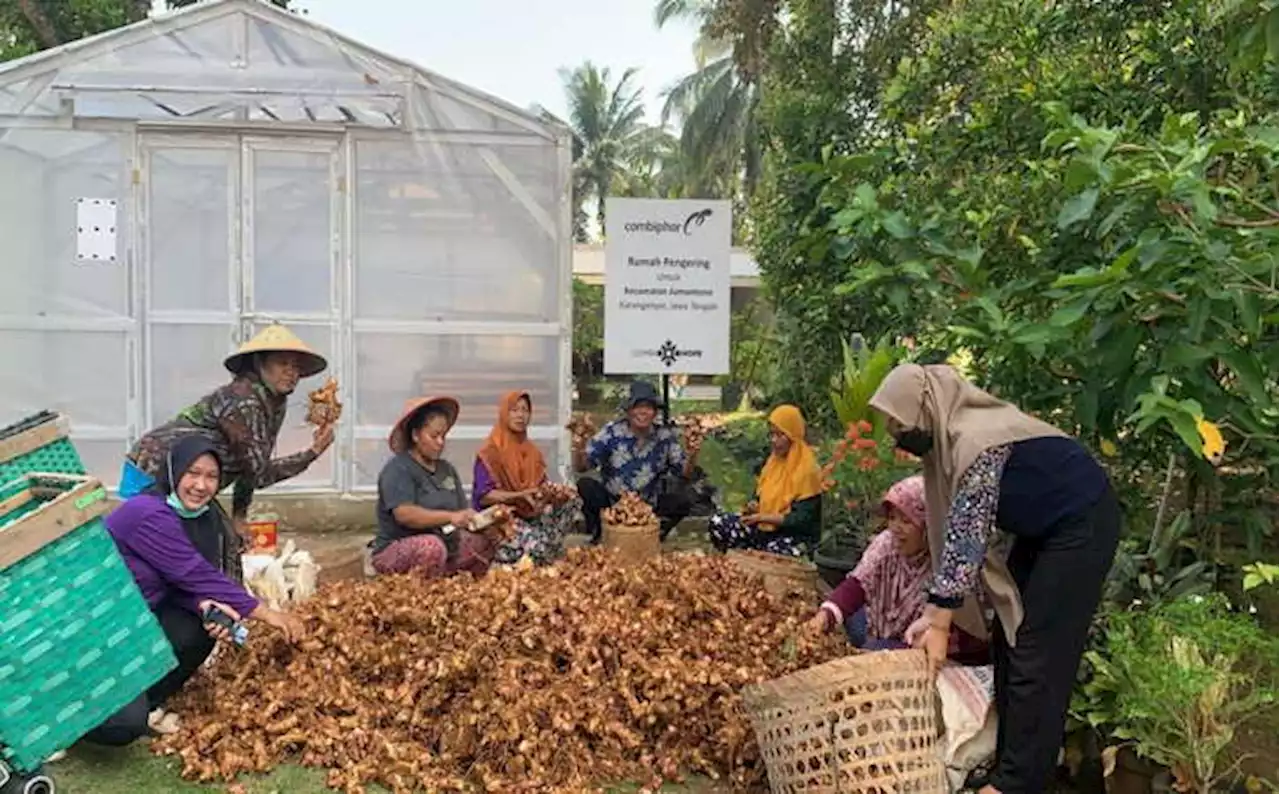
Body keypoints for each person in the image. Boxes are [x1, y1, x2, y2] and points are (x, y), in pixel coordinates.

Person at [870, 363, 1119, 794]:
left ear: (925, 409)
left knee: (1038, 651)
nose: (895, 434)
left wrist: (940, 624)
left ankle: (1020, 782)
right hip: (1044, 530)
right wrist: (934, 616)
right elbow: (956, 538)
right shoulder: (951, 440)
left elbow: (967, 538)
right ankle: (1010, 764)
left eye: (898, 421)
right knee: (1011, 639)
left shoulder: (976, 439)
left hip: (1082, 526)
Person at [84, 436, 305, 746]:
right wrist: (267, 613)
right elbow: (192, 571)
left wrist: (204, 605)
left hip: (140, 623)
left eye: (211, 477)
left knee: (200, 627)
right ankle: (76, 719)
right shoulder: (147, 511)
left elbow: (185, 581)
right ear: (174, 472)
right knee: (121, 728)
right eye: (193, 473)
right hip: (101, 630)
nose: (201, 485)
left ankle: (143, 701)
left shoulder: (206, 518)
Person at [122, 324, 336, 564]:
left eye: (296, 366)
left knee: (221, 546)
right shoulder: (243, 402)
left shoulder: (274, 403)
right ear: (260, 364)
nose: (291, 372)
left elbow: (250, 464)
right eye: (282, 363)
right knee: (161, 553)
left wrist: (239, 516)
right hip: (153, 471)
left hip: (189, 480)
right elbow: (259, 474)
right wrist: (312, 453)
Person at [805, 475, 988, 662]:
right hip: (886, 625)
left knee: (873, 650)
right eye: (892, 518)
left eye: (906, 521)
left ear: (927, 525)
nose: (896, 528)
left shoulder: (948, 560)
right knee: (850, 619)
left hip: (928, 643)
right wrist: (825, 615)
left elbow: (967, 629)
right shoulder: (886, 543)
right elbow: (858, 584)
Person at [371, 396, 497, 578]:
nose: (440, 442)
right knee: (431, 547)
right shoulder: (398, 469)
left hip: (444, 545)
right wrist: (450, 517)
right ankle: (423, 596)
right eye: (434, 436)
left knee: (482, 542)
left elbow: (462, 514)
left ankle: (461, 592)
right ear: (415, 435)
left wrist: (485, 523)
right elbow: (404, 514)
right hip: (397, 548)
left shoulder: (447, 470)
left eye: (443, 436)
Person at [572, 381, 700, 543]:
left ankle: (655, 535)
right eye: (638, 406)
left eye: (648, 407)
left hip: (648, 506)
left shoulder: (664, 436)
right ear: (629, 410)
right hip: (612, 503)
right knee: (586, 485)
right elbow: (582, 467)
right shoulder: (612, 432)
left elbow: (684, 474)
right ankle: (601, 533)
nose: (643, 412)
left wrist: (692, 454)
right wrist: (579, 448)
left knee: (685, 498)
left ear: (655, 412)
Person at [472, 391, 583, 566]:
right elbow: (484, 496)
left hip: (529, 515)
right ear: (504, 413)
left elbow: (538, 491)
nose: (520, 415)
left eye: (525, 410)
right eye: (514, 410)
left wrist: (551, 496)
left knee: (573, 500)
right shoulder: (489, 452)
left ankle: (537, 548)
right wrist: (518, 496)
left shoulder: (533, 452)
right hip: (500, 519)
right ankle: (536, 550)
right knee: (539, 547)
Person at [706, 404, 823, 558]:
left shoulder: (807, 470)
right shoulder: (773, 463)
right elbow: (760, 496)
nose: (774, 440)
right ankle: (746, 556)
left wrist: (762, 517)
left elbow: (799, 520)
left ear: (793, 436)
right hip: (763, 529)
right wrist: (754, 505)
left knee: (775, 554)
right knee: (718, 522)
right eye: (772, 434)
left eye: (780, 435)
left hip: (792, 536)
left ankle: (756, 556)